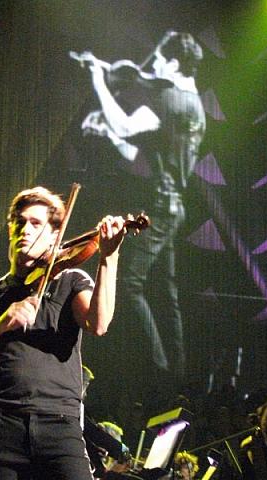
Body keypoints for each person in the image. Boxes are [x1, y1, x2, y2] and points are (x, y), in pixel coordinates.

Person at [0, 186, 126, 480]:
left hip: (60, 424)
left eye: (36, 223)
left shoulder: (69, 280)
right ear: (10, 230)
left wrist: (109, 256)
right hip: (1, 425)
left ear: (55, 235)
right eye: (19, 223)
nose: (25, 230)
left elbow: (99, 324)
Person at [80, 31, 206, 390]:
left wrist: (98, 80)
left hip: (160, 206)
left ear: (175, 64)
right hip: (172, 203)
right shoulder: (196, 108)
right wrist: (112, 135)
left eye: (161, 61)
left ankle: (159, 368)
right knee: (166, 292)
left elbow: (125, 125)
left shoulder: (168, 99)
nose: (154, 68)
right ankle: (176, 375)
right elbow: (142, 152)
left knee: (130, 284)